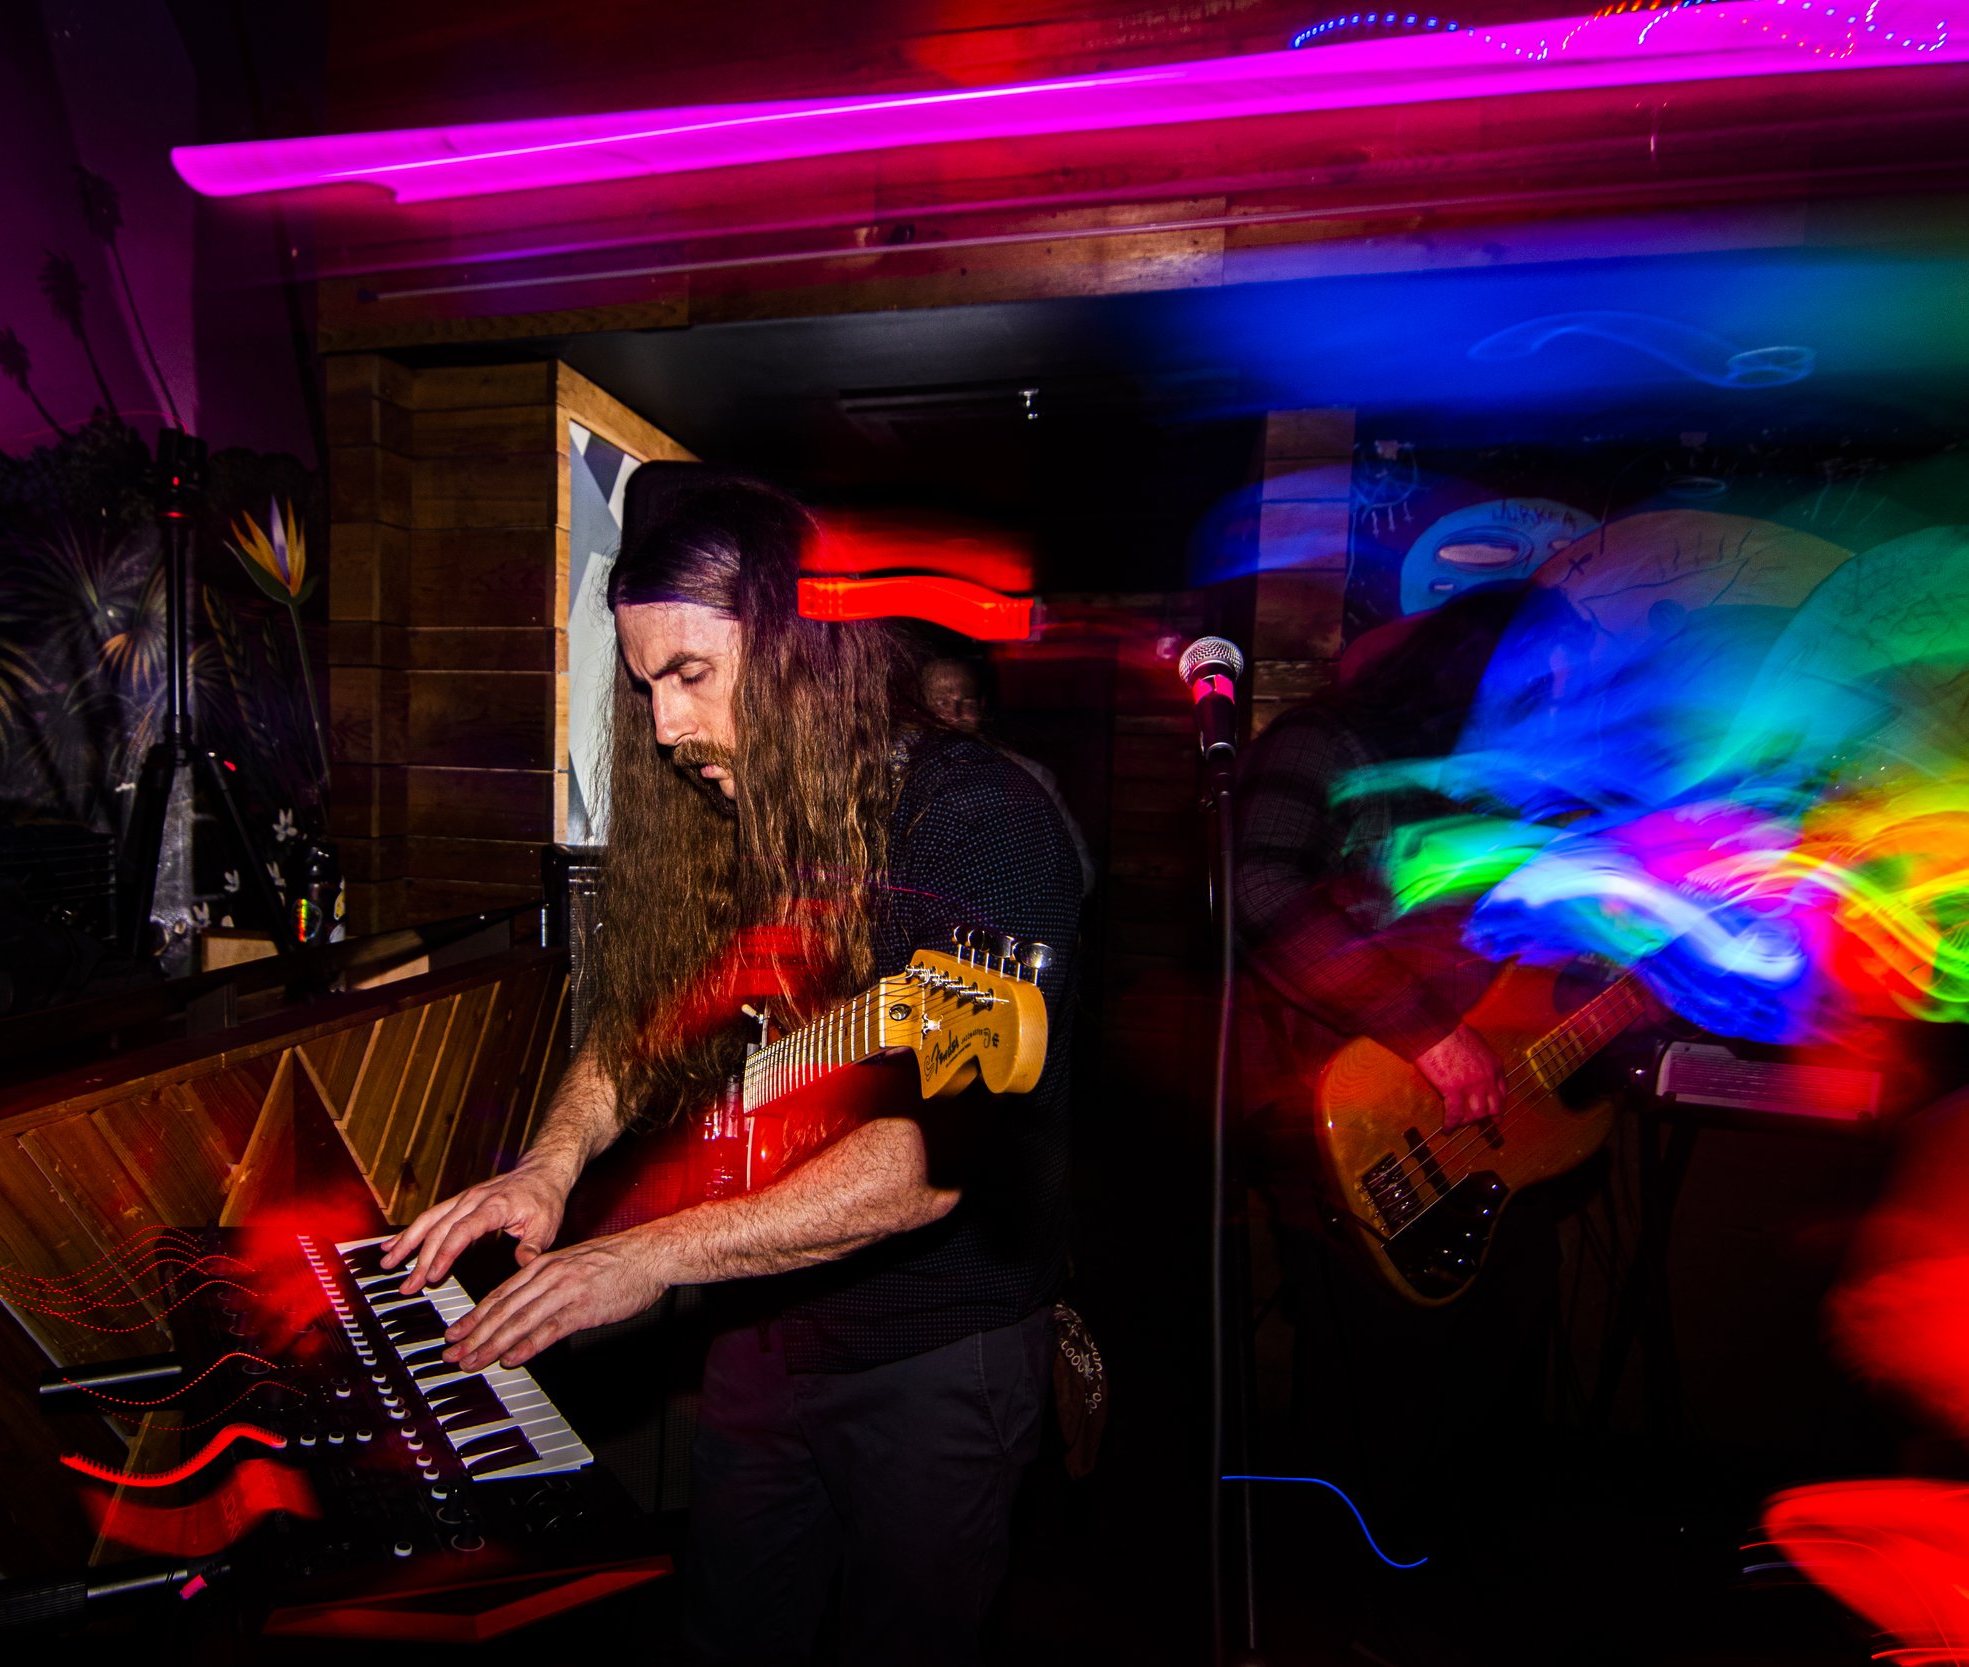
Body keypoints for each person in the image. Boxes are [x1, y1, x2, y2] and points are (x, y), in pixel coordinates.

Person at [380, 472, 1083, 1665]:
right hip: (762, 1330)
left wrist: (645, 1253)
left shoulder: (976, 822)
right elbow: (636, 1028)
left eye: (691, 674)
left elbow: (923, 1163)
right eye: (646, 685)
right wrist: (548, 1169)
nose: (664, 726)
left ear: (803, 653)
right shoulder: (740, 811)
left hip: (929, 1356)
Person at [1230, 584, 1595, 1664]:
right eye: (1539, 682)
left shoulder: (1513, 787)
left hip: (1502, 1133)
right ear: (1470, 668)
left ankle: (1439, 1600)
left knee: (1488, 1384)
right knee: (1374, 1397)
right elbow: (1256, 885)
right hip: (1350, 1123)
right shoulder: (1327, 743)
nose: (1553, 705)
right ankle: (1338, 1619)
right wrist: (1422, 1028)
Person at [919, 655, 1097, 896]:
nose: (955, 714)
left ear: (981, 707)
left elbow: (1081, 871)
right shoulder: (900, 779)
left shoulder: (1030, 777)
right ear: (920, 710)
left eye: (967, 702)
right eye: (941, 703)